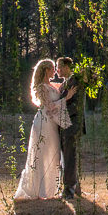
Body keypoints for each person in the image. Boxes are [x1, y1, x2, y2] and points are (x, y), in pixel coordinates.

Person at [13, 59, 76, 201]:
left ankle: (50, 188)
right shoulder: (41, 87)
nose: (55, 71)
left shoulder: (53, 85)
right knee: (41, 154)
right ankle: (40, 190)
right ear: (46, 70)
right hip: (43, 123)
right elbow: (49, 106)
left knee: (53, 155)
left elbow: (67, 82)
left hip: (52, 125)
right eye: (53, 68)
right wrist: (67, 98)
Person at [52, 56, 85, 199]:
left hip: (71, 124)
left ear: (66, 67)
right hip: (64, 124)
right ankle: (75, 187)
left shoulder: (76, 81)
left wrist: (60, 110)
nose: (57, 70)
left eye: (59, 66)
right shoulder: (65, 83)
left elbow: (76, 106)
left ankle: (69, 190)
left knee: (69, 156)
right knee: (67, 156)